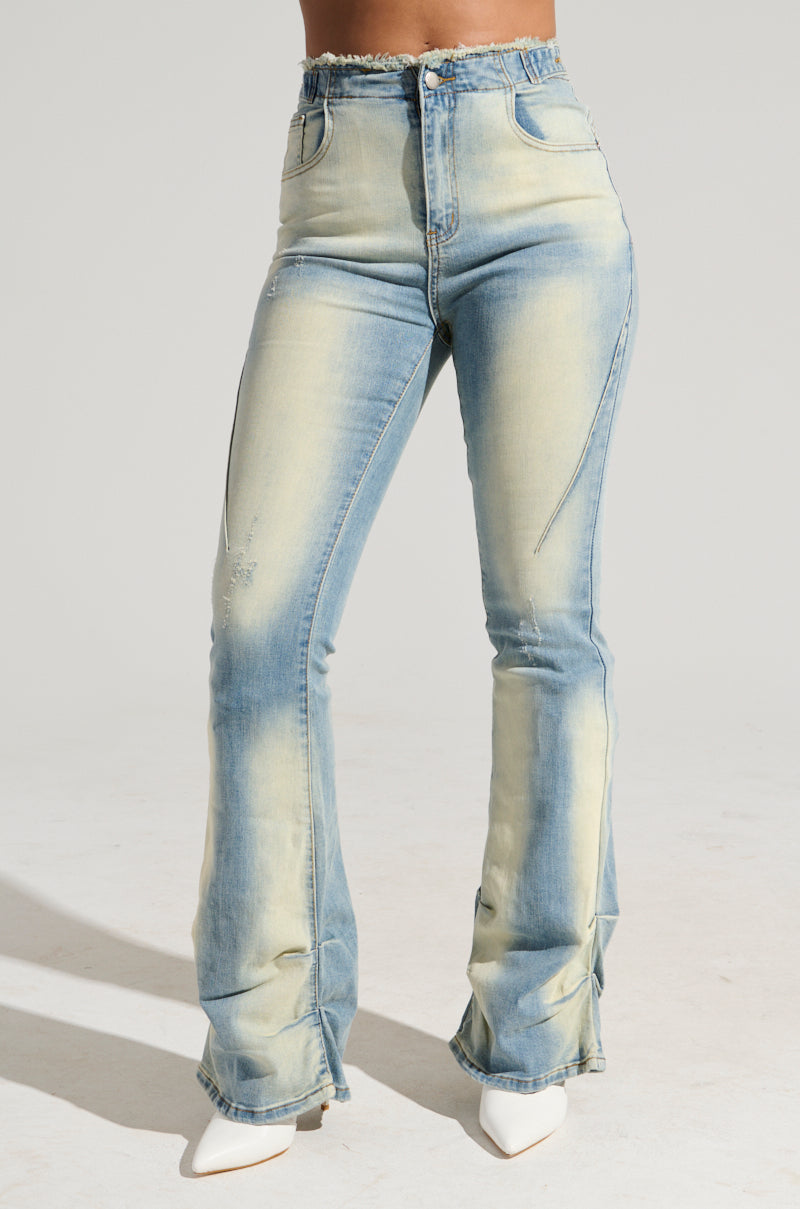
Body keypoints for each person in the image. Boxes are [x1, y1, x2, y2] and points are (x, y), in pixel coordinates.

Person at [190, 0, 639, 1175]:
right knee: (257, 629)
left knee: (542, 625)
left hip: (530, 167)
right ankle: (269, 1051)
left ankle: (530, 1032)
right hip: (343, 190)